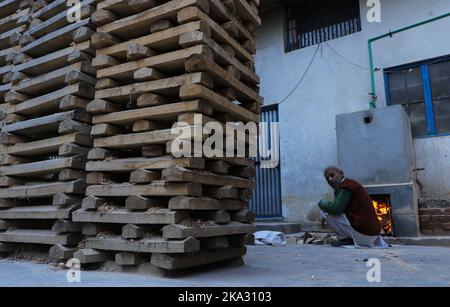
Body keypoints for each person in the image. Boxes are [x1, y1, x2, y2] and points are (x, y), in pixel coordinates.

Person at [318, 166, 389, 248]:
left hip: (364, 234)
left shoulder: (347, 186)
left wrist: (321, 202)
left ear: (341, 174)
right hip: (372, 235)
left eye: (332, 175)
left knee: (324, 211)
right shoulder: (347, 186)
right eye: (327, 178)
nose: (330, 179)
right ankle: (349, 238)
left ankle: (345, 239)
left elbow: (336, 208)